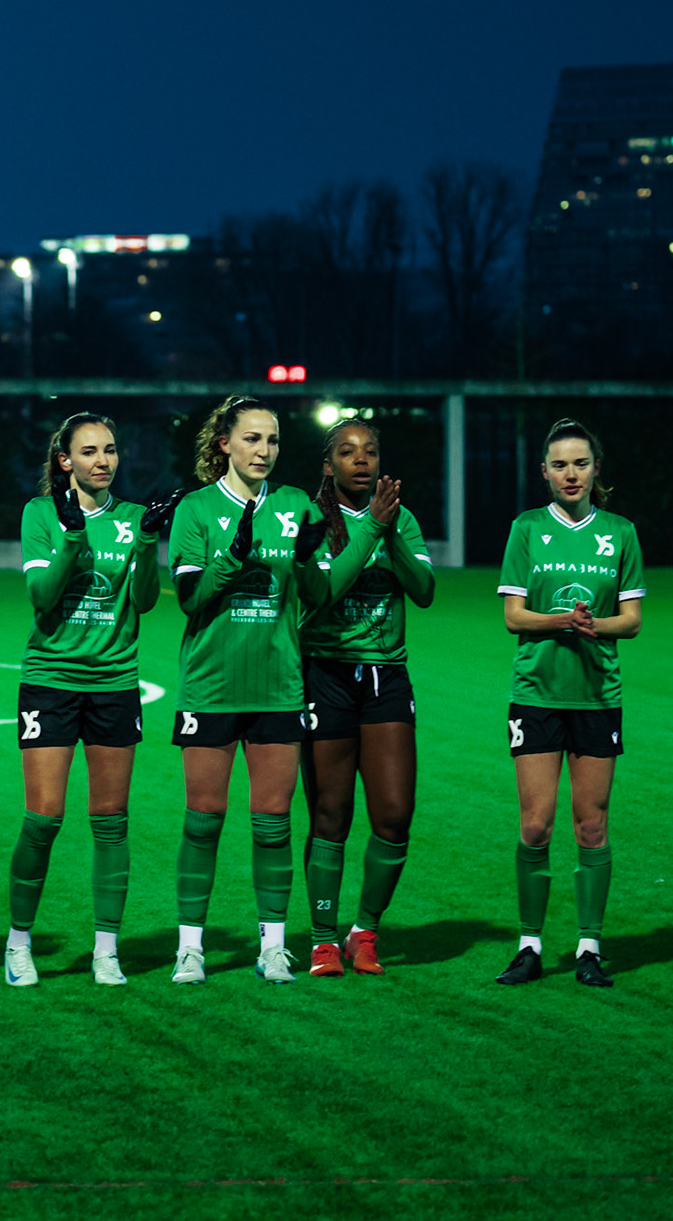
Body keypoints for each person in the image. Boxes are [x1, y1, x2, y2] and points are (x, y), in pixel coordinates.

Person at [8, 415, 182, 988]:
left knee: (110, 819)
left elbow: (146, 600)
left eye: (110, 450)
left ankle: (107, 949)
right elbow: (42, 595)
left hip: (114, 683)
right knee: (44, 817)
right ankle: (19, 943)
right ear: (66, 462)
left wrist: (150, 542)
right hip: (52, 681)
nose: (103, 461)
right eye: (90, 452)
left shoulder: (133, 519)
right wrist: (75, 535)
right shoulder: (41, 515)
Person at [166, 396, 329, 986]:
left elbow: (317, 591)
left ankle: (275, 946)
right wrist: (235, 553)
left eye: (274, 440)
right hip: (211, 686)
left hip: (279, 686)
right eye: (253, 439)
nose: (265, 451)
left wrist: (312, 561)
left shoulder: (297, 506)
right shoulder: (196, 509)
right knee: (203, 819)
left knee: (273, 821)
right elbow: (191, 599)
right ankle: (191, 948)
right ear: (224, 445)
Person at [494, 419, 643, 988]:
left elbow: (630, 622)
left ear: (595, 469)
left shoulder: (620, 532)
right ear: (545, 473)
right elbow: (513, 616)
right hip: (536, 696)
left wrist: (593, 624)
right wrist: (565, 620)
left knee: (592, 827)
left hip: (597, 696)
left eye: (580, 463)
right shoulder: (527, 529)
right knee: (535, 825)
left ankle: (588, 947)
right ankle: (529, 945)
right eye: (559, 464)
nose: (570, 473)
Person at [299, 421, 434, 977]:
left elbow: (423, 591)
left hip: (386, 678)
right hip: (325, 672)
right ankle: (324, 939)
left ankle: (364, 931)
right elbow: (323, 594)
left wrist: (390, 529)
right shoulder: (306, 520)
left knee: (395, 814)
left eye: (371, 451)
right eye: (348, 452)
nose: (362, 461)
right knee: (330, 814)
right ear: (328, 465)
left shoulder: (401, 520)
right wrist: (372, 528)